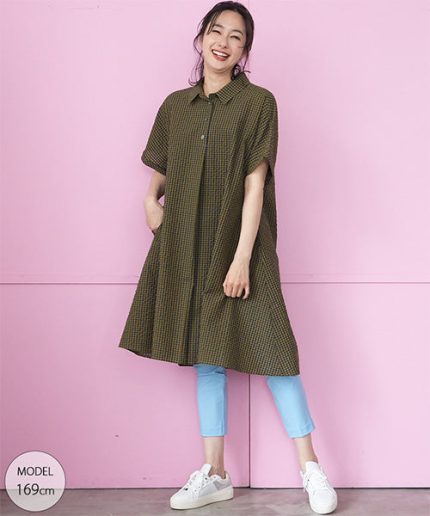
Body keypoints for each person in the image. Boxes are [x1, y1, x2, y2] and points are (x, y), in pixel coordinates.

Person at [118, 2, 338, 513]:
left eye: (236, 37)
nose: (223, 42)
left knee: (276, 354)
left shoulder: (258, 104)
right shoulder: (176, 106)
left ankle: (312, 469)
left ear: (245, 50)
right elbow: (161, 168)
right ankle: (215, 474)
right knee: (209, 359)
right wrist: (149, 200)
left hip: (242, 247)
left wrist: (241, 259)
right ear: (201, 39)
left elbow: (255, 185)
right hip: (187, 244)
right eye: (216, 31)